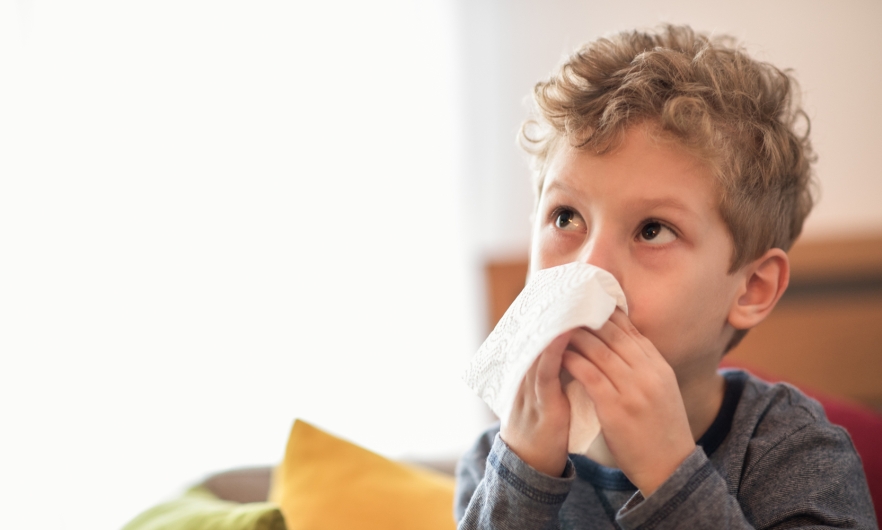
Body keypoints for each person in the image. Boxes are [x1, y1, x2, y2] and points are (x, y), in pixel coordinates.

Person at [455, 25, 877, 529]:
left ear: (751, 288)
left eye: (652, 230)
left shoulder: (797, 454)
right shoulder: (494, 463)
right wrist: (522, 472)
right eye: (566, 217)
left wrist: (670, 474)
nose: (590, 267)